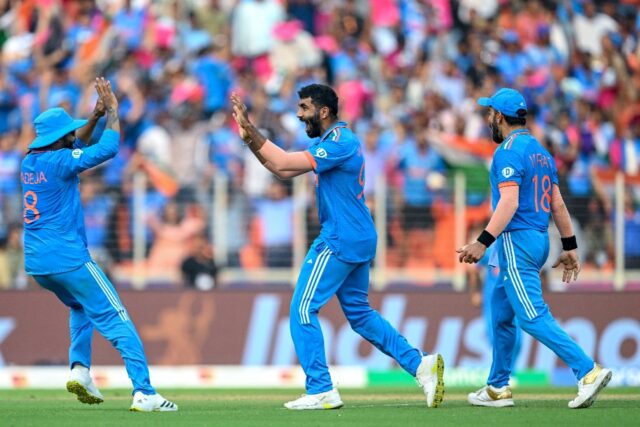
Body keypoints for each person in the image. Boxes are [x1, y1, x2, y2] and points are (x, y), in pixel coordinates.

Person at [230, 84, 444, 410]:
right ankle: (419, 364)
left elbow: (285, 163)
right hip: (357, 235)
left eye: (304, 108)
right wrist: (248, 138)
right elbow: (279, 169)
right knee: (359, 315)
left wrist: (252, 131)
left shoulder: (341, 142)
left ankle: (321, 388)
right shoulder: (330, 142)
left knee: (302, 309)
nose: (299, 114)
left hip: (340, 238)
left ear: (324, 111)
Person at [21, 77, 177, 412]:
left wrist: (93, 118)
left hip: (37, 263)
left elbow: (74, 145)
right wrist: (114, 114)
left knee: (80, 307)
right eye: (70, 133)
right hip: (69, 258)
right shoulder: (61, 162)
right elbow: (107, 149)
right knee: (117, 317)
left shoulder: (30, 162)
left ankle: (80, 369)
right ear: (61, 138)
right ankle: (145, 392)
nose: (74, 135)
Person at [457, 88, 612, 409]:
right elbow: (556, 203)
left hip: (516, 240)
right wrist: (569, 246)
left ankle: (587, 371)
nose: (488, 119)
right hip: (539, 238)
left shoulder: (507, 152)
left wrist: (481, 242)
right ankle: (498, 386)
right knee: (500, 314)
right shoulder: (541, 151)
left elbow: (510, 202)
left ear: (499, 117)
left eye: (490, 114)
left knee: (530, 316)